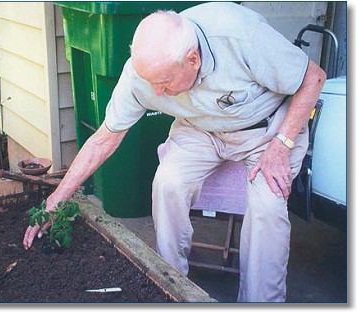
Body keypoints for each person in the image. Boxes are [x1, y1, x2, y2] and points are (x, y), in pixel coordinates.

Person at [23, 2, 326, 302]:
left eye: (164, 83)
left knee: (267, 208)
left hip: (267, 129)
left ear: (192, 60)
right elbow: (104, 139)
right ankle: (171, 285)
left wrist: (281, 146)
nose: (155, 92)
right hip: (199, 129)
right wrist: (56, 200)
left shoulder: (241, 35)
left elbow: (313, 78)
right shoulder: (144, 73)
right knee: (167, 182)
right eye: (150, 82)